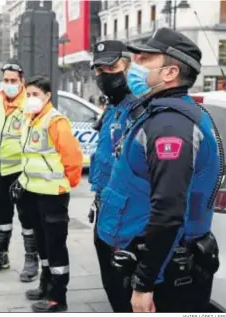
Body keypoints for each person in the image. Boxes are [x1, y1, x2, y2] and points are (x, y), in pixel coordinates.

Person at [97, 28, 222, 312]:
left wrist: (144, 283)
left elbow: (168, 212)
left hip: (167, 274)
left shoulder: (169, 127)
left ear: (170, 72)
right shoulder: (160, 115)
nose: (136, 63)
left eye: (146, 59)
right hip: (151, 258)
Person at [14, 75, 83, 313]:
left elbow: (73, 157)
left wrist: (67, 184)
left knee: (55, 246)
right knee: (42, 243)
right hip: (32, 193)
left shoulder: (55, 121)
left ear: (47, 96)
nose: (31, 99)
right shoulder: (28, 119)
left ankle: (58, 297)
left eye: (36, 95)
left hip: (53, 195)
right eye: (29, 94)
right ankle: (45, 285)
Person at [87, 40, 137, 312]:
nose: (105, 73)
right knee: (112, 286)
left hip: (128, 217)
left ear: (129, 66)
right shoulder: (112, 107)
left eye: (112, 66)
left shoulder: (139, 107)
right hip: (105, 208)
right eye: (99, 68)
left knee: (126, 291)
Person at [0, 62, 38, 283]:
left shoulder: (30, 104)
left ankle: (31, 261)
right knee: (1, 215)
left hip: (20, 171)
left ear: (22, 81)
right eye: (6, 80)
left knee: (27, 216)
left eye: (14, 80)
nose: (10, 84)